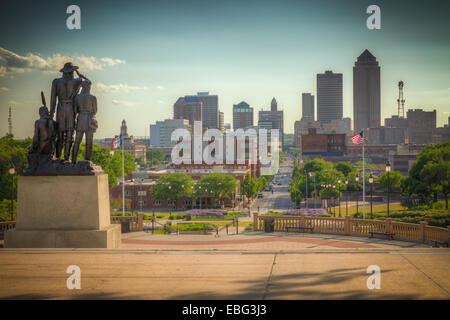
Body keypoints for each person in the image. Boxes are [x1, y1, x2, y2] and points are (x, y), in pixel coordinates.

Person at [50, 62, 87, 161]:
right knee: (69, 135)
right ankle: (66, 158)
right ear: (72, 72)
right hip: (71, 108)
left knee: (60, 135)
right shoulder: (77, 81)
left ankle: (58, 157)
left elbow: (53, 99)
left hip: (61, 108)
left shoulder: (56, 82)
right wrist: (80, 75)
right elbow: (88, 83)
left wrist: (51, 113)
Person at [72, 79, 98, 163]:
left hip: (80, 119)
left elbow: (75, 110)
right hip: (89, 119)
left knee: (77, 141)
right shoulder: (92, 97)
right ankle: (87, 160)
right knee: (89, 142)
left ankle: (73, 160)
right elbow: (95, 111)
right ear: (88, 86)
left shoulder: (77, 97)